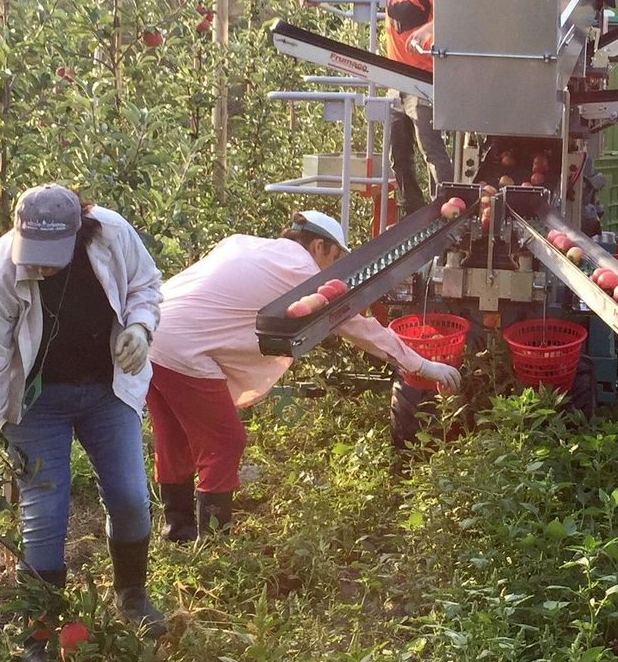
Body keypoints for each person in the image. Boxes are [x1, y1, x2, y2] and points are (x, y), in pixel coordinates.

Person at [0, 183, 165, 662]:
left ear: (78, 232)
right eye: (35, 257)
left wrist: (139, 327)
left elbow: (145, 285)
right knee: (44, 516)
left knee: (131, 498)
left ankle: (132, 596)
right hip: (36, 404)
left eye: (53, 257)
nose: (41, 268)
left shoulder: (111, 235)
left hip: (106, 389)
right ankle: (38, 642)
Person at [146, 209, 462, 538]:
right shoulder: (302, 272)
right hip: (184, 350)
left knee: (174, 437)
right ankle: (214, 543)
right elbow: (359, 328)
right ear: (317, 246)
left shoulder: (242, 244)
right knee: (225, 442)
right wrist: (423, 365)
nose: (333, 265)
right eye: (335, 256)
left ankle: (178, 531)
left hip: (150, 331)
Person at [303, 0, 453, 210]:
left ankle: (446, 206)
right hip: (394, 80)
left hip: (424, 81)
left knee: (430, 147)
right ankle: (412, 209)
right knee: (397, 151)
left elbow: (449, 16)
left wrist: (424, 32)